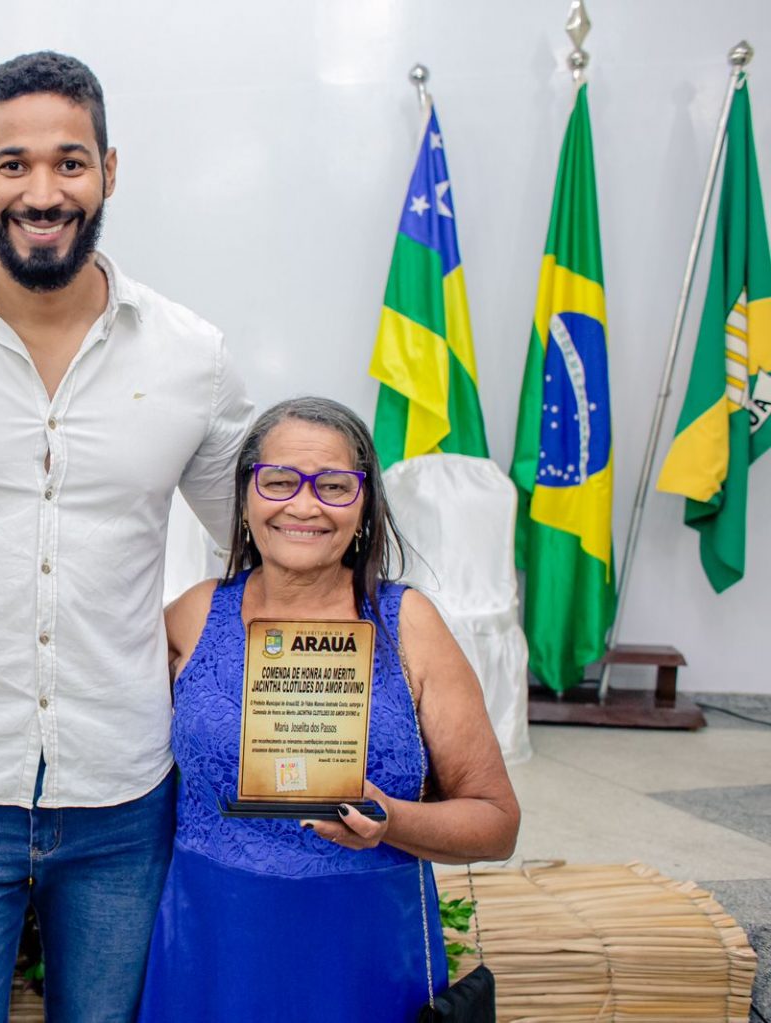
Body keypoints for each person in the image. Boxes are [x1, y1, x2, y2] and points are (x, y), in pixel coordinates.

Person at [0, 52, 254, 1021]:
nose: (42, 193)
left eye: (70, 162)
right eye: (14, 163)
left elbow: (262, 549)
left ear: (109, 171)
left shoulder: (192, 356)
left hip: (122, 794)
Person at [137, 396, 520, 1020]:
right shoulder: (194, 614)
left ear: (365, 505)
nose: (304, 505)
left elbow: (496, 824)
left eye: (335, 486)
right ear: (246, 497)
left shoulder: (409, 624)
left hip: (361, 948)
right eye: (279, 481)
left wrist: (391, 820)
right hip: (213, 940)